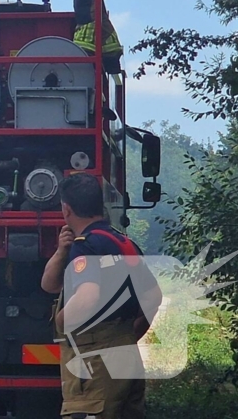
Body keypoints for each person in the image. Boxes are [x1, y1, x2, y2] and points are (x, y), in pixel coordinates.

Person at [41, 173, 162, 419]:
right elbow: (153, 296)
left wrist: (61, 322)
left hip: (94, 357)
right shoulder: (123, 243)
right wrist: (128, 337)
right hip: (126, 353)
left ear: (66, 209)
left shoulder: (86, 246)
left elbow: (87, 298)